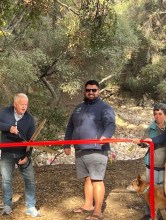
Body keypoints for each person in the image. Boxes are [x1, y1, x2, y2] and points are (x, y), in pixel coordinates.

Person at [63, 80, 116, 220]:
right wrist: (66, 144)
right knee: (87, 178)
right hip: (80, 149)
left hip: (97, 149)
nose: (91, 92)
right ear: (84, 91)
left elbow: (110, 125)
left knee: (97, 179)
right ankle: (88, 205)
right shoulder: (79, 107)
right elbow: (70, 126)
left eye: (94, 90)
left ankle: (97, 211)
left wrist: (105, 136)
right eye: (88, 90)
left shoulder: (105, 108)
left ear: (98, 91)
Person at [0, 93, 40, 217]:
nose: (24, 107)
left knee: (30, 180)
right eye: (21, 104)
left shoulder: (29, 119)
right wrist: (9, 128)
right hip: (7, 153)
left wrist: (27, 156)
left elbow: (31, 140)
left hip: (22, 153)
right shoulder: (5, 112)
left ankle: (30, 206)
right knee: (6, 180)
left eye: (26, 105)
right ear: (15, 104)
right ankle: (7, 206)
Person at [134, 103, 166, 220]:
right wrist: (139, 142)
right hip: (151, 164)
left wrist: (152, 140)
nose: (157, 116)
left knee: (163, 190)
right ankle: (149, 214)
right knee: (149, 190)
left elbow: (162, 137)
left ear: (165, 115)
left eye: (160, 114)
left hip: (164, 166)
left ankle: (162, 214)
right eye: (155, 114)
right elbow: (145, 142)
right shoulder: (151, 128)